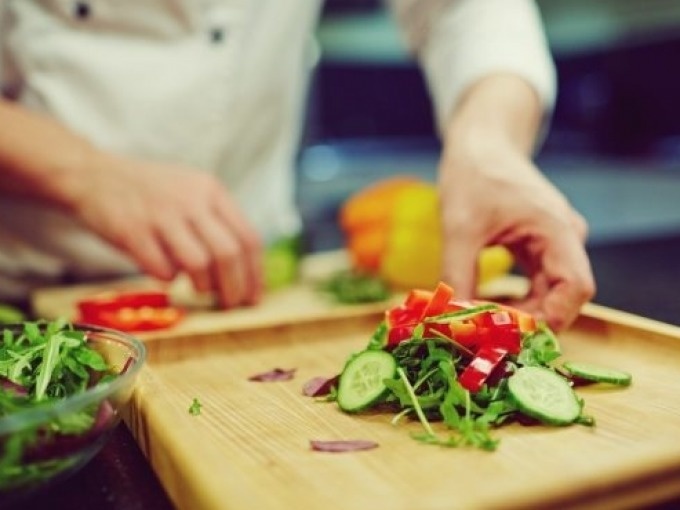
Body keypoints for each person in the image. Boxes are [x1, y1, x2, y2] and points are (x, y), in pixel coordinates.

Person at [0, 0, 594, 330]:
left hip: (249, 283)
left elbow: (463, 10)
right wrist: (83, 171)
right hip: (29, 289)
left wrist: (488, 144)